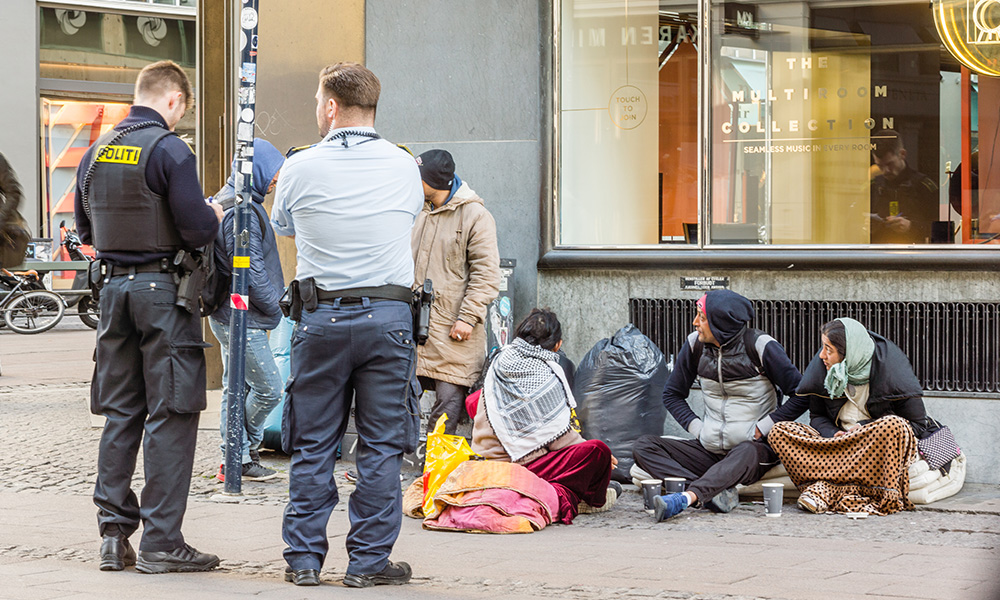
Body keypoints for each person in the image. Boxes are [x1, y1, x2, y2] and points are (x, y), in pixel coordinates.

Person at [270, 62, 421, 588]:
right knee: (381, 447)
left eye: (318, 100)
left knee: (313, 444)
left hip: (321, 320)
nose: (317, 108)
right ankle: (368, 563)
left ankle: (304, 560)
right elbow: (407, 221)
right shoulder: (405, 165)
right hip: (389, 321)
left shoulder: (300, 166)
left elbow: (283, 225)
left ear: (331, 107)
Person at [73, 60, 223, 574]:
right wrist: (213, 214)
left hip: (113, 295)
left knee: (121, 413)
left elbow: (86, 231)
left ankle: (114, 537)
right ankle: (162, 541)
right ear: (174, 100)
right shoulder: (169, 149)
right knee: (172, 412)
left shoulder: (95, 151)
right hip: (164, 295)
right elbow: (197, 228)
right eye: (182, 110)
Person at [631, 290, 806, 522]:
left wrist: (763, 428)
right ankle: (714, 492)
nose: (695, 323)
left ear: (720, 322)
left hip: (753, 450)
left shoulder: (760, 346)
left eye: (702, 317)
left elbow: (802, 395)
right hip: (709, 448)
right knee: (644, 446)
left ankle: (688, 497)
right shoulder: (695, 345)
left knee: (745, 451)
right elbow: (672, 394)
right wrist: (698, 429)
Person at [768, 318, 932, 516]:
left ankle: (824, 489)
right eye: (823, 347)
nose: (822, 355)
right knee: (780, 431)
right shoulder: (824, 369)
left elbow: (917, 425)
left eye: (829, 350)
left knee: (893, 425)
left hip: (873, 447)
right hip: (838, 445)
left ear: (849, 354)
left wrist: (864, 428)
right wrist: (833, 434)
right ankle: (841, 488)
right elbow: (817, 416)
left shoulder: (893, 372)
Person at [470, 308, 619, 524]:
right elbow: (559, 440)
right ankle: (586, 499)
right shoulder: (544, 374)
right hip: (521, 464)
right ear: (558, 345)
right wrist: (601, 460)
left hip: (484, 459)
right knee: (598, 451)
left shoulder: (500, 360)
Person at [209, 138, 285, 482]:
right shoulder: (241, 210)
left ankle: (236, 457)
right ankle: (243, 451)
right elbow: (250, 272)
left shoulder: (236, 202)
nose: (276, 179)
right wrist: (276, 308)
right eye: (273, 171)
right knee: (269, 388)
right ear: (257, 170)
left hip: (233, 313)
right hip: (240, 316)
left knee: (235, 388)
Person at [411, 148, 500, 435]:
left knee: (447, 405)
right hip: (413, 327)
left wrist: (467, 317)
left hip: (453, 332)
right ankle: (396, 457)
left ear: (434, 182)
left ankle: (437, 461)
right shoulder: (416, 209)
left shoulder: (476, 216)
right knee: (399, 399)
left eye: (417, 176)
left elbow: (487, 274)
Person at [870, 130, 939, 244]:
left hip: (915, 250)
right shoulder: (874, 186)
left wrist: (911, 227)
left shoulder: (922, 186)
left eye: (890, 164)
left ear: (902, 154)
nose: (886, 171)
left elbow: (941, 229)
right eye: (880, 166)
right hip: (878, 251)